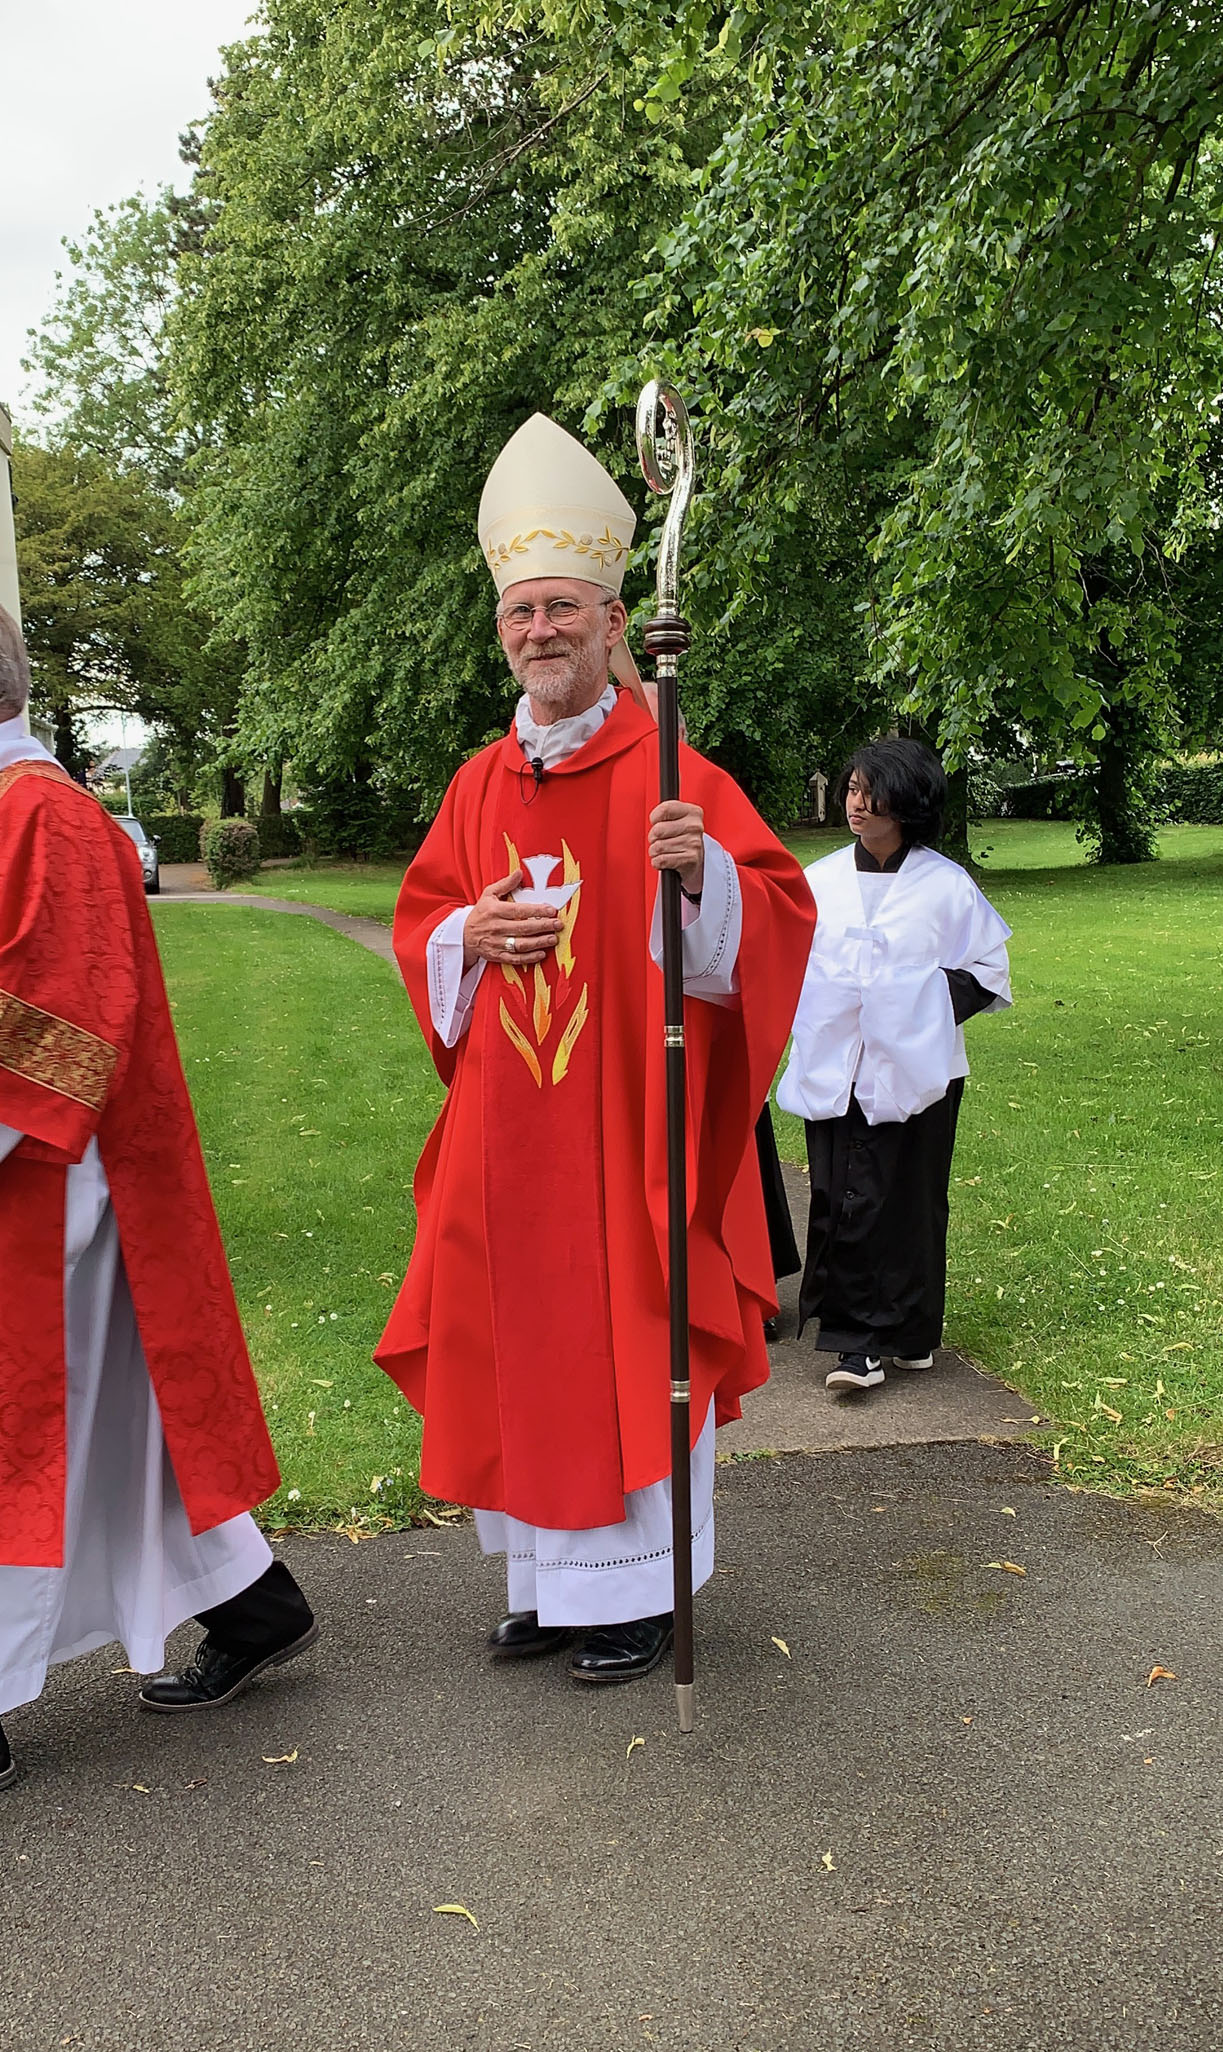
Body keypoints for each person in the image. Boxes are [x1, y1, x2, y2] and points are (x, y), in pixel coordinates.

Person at [376, 413, 815, 1684]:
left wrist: (704, 875)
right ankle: (545, 1582)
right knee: (516, 1342)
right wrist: (467, 932)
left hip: (630, 1130)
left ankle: (633, 1590)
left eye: (561, 608)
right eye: (520, 613)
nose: (539, 630)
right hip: (506, 1139)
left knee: (631, 1330)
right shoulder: (476, 784)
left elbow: (777, 917)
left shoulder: (673, 768)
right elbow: (421, 924)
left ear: (614, 622)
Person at [0, 585, 317, 1808]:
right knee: (122, 1420)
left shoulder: (39, 816)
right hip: (26, 1175)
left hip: (34, 1180)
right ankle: (255, 1605)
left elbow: (35, 1024)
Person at [777, 736, 1011, 1391]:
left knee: (912, 1199)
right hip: (837, 1064)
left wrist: (913, 1008)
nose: (856, 803)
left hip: (919, 1070)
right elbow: (786, 964)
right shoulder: (819, 882)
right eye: (852, 789)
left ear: (906, 801)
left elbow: (987, 972)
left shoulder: (946, 886)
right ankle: (857, 1343)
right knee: (845, 1195)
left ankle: (911, 1331)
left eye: (870, 792)